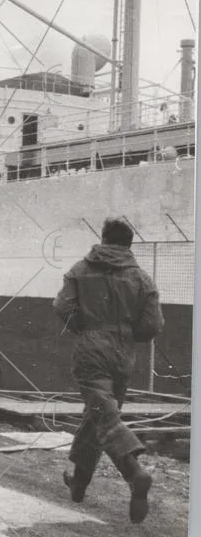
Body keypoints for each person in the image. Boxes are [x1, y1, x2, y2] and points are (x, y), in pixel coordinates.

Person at [53, 217, 163, 524]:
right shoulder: (142, 278)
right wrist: (127, 333)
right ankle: (78, 483)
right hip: (123, 353)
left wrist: (84, 327)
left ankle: (136, 474)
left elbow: (62, 306)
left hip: (92, 348)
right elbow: (153, 324)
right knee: (99, 415)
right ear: (129, 244)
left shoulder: (80, 269)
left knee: (103, 416)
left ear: (103, 239)